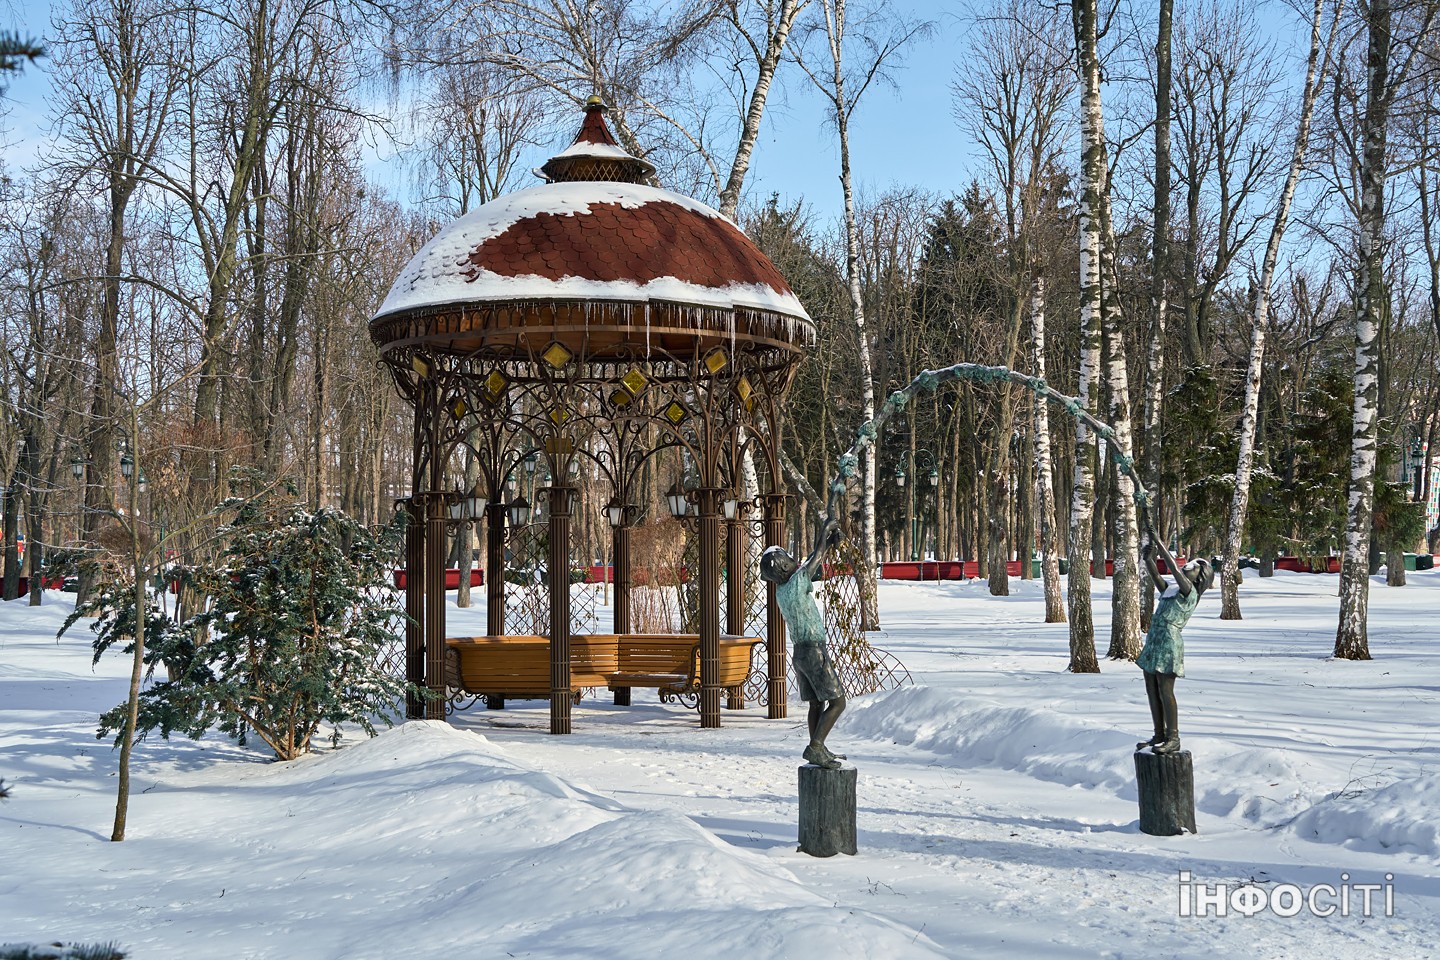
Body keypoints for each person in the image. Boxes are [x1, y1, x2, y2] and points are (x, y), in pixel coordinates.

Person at [760, 517, 846, 769]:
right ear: (783, 566)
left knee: (816, 703)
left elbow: (810, 561)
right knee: (838, 702)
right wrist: (824, 532)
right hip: (813, 650)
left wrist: (828, 542)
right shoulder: (796, 583)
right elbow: (814, 561)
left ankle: (816, 746)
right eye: (786, 557)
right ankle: (816, 746)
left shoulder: (782, 590)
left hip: (799, 653)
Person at [1137, 512, 1211, 756]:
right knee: (1151, 687)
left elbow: (1171, 569)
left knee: (1165, 689)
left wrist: (1160, 543)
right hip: (1155, 640)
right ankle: (1158, 734)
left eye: (1191, 567)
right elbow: (1158, 577)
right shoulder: (1170, 591)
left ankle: (1173, 737)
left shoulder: (1189, 592)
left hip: (1169, 641)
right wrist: (1147, 557)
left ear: (1199, 576)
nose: (1186, 567)